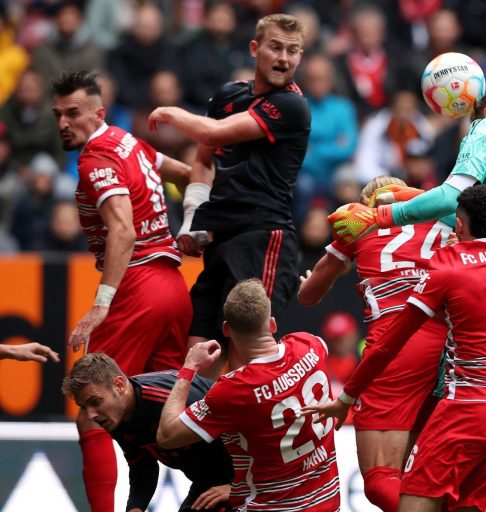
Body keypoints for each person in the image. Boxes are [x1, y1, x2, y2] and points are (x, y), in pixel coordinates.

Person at [329, 90, 486, 512]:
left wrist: (384, 214)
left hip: (480, 292)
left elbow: (451, 202)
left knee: (429, 436)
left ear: (484, 111)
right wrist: (409, 193)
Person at [307, 185, 486, 511]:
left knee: (407, 498)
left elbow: (388, 346)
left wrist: (345, 400)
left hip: (466, 410)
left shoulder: (450, 265)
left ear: (459, 225)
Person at [51, 70, 193, 512]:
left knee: (91, 409)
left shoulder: (96, 159)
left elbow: (123, 231)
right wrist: (194, 222)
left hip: (138, 287)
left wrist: (101, 304)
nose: (63, 123)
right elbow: (190, 174)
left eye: (73, 113)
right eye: (57, 115)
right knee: (157, 415)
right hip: (174, 285)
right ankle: (226, 487)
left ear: (98, 111)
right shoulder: (131, 143)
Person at [147, 14, 310, 378]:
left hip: (264, 237)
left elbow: (216, 134)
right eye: (275, 47)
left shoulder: (291, 105)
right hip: (222, 239)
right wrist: (192, 219)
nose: (283, 58)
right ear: (255, 49)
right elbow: (204, 159)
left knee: (246, 362)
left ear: (300, 57)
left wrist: (173, 113)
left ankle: (253, 435)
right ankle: (205, 435)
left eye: (293, 50)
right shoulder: (228, 96)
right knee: (198, 358)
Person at [299, 176, 450, 511]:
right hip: (452, 347)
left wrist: (313, 279)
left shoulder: (359, 221)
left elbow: (308, 296)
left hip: (397, 350)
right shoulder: (441, 216)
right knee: (425, 473)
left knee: (381, 478)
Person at [156, 279, 340, 511]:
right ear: (272, 324)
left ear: (226, 330)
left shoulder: (234, 390)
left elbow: (166, 435)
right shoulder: (311, 344)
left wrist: (189, 367)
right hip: (329, 503)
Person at [61, 353, 236, 512]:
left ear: (119, 386)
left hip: (252, 479)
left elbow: (252, 427)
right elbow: (143, 469)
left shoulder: (169, 400)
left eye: (95, 401)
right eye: (84, 407)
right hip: (211, 483)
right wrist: (135, 508)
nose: (91, 415)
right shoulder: (117, 414)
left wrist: (236, 487)